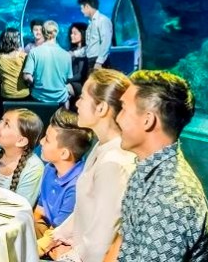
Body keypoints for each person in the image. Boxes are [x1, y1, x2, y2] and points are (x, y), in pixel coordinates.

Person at [104, 70, 208, 262]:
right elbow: (123, 240)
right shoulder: (145, 170)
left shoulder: (172, 198)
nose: (117, 118)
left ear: (148, 120)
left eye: (123, 109)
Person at [38, 69, 136, 262]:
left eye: (83, 97)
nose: (77, 103)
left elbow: (102, 240)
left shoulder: (113, 163)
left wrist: (66, 257)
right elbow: (83, 210)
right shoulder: (101, 146)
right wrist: (53, 238)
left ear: (101, 109)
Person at [34, 108, 93, 238]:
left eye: (47, 140)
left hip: (61, 239)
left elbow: (59, 231)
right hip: (47, 230)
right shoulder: (49, 169)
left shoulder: (77, 185)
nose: (41, 142)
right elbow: (40, 210)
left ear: (64, 153)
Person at [0, 108, 45, 205]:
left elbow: (22, 208)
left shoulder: (34, 168)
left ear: (21, 141)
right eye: (1, 120)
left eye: (7, 124)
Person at [23, 21, 73, 106]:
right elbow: (68, 79)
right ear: (56, 33)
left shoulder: (34, 52)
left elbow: (27, 76)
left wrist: (35, 82)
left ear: (43, 32)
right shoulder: (67, 55)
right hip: (60, 99)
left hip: (38, 98)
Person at [77, 0, 113, 73]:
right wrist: (75, 53)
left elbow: (106, 41)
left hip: (98, 61)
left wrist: (99, 62)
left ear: (87, 6)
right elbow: (90, 46)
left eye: (81, 8)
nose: (81, 11)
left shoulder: (102, 20)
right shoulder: (91, 23)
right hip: (91, 60)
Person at [0, 28, 31, 100]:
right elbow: (27, 78)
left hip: (6, 94)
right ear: (16, 40)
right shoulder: (23, 56)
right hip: (23, 94)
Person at [66, 22, 89, 105]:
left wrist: (66, 80)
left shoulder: (86, 53)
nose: (71, 35)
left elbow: (80, 75)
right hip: (72, 81)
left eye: (75, 33)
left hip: (81, 84)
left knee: (64, 89)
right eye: (71, 33)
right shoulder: (71, 51)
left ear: (83, 34)